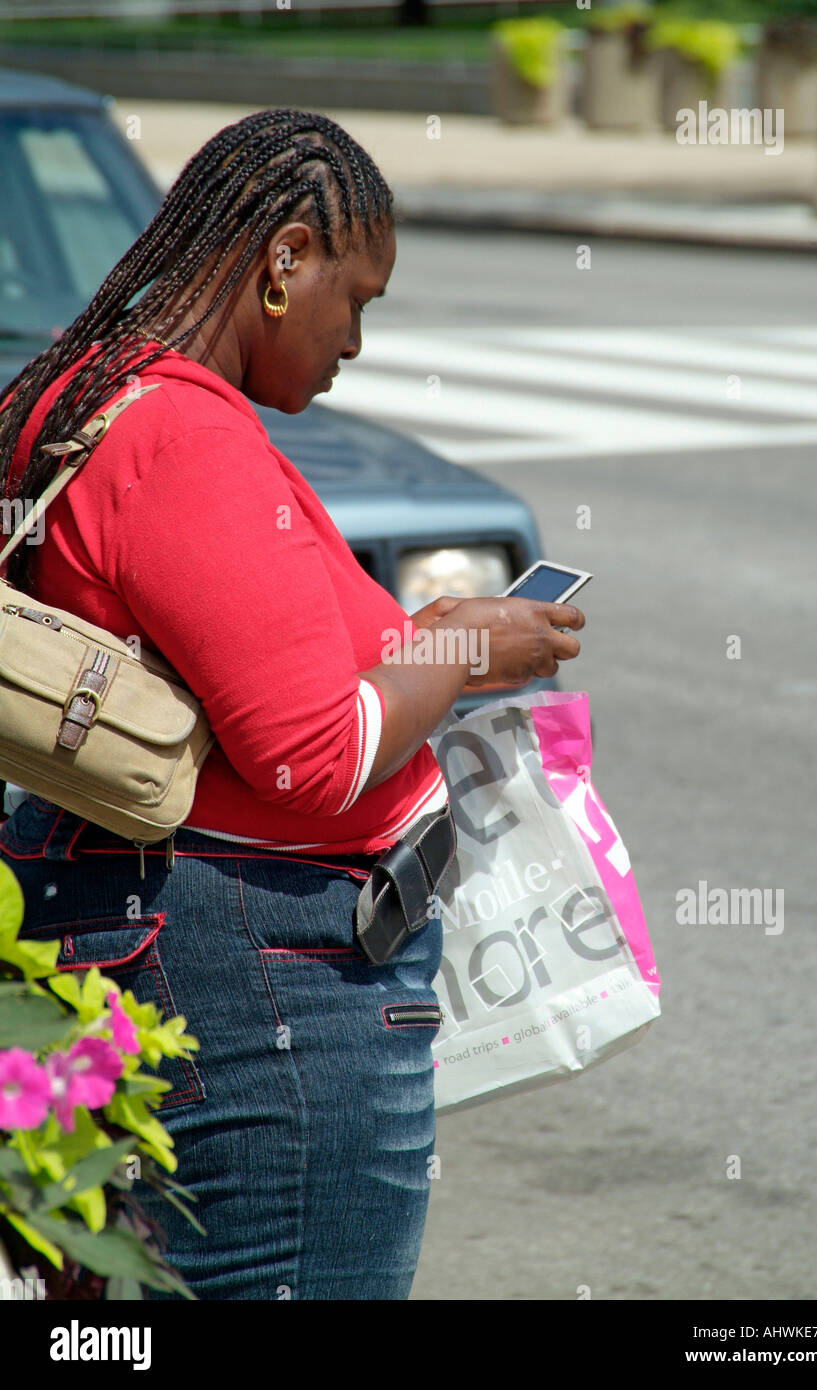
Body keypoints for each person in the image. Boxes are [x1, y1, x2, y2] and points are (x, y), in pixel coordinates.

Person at [0, 109, 584, 1300]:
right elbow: (313, 754)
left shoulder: (99, 385)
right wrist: (467, 643)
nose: (355, 341)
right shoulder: (181, 431)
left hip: (181, 929)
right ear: (285, 260)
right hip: (266, 978)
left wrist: (415, 641)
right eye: (355, 298)